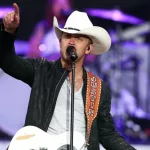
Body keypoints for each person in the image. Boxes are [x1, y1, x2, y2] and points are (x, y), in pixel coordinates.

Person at [0, 3, 136, 150]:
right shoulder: (42, 70)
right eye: (67, 36)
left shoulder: (99, 88)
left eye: (78, 38)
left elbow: (107, 134)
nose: (71, 41)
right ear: (60, 42)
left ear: (88, 48)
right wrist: (8, 33)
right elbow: (7, 61)